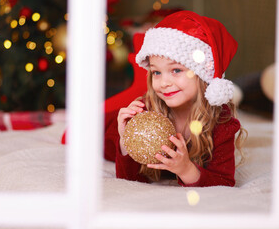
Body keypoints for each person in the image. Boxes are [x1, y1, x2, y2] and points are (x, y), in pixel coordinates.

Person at [104, 10, 247, 187]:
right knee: (83, 131)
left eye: (176, 70)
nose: (164, 83)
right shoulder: (144, 111)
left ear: (203, 74)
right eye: (156, 72)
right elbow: (129, 180)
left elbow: (224, 182)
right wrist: (125, 141)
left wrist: (186, 170)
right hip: (109, 133)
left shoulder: (220, 120)